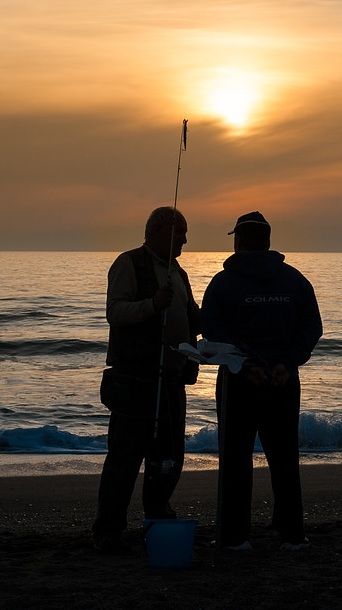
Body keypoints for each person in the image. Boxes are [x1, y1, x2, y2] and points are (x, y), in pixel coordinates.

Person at [200, 211, 322, 551]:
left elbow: (210, 328)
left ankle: (235, 537)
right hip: (283, 382)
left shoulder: (223, 283)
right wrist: (287, 361)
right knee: (284, 458)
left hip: (239, 382)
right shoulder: (295, 280)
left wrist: (245, 364)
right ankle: (292, 535)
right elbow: (311, 327)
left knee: (236, 458)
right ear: (267, 242)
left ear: (238, 241)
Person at [92, 206, 200, 552]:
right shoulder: (129, 263)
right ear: (156, 231)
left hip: (171, 378)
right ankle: (109, 528)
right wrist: (153, 304)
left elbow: (191, 316)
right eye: (179, 231)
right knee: (125, 457)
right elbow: (115, 312)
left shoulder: (179, 272)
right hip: (136, 379)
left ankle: (158, 513)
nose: (184, 237)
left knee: (168, 456)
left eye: (184, 231)